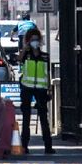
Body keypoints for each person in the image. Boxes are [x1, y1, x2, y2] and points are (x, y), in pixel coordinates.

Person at [18, 26, 54, 155]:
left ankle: (48, 146)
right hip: (27, 88)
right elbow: (19, 60)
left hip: (41, 89)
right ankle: (24, 145)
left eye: (36, 39)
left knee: (44, 118)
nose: (35, 42)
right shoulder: (25, 55)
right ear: (28, 41)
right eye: (32, 40)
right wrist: (25, 48)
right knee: (26, 118)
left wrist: (49, 89)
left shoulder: (45, 56)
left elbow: (48, 73)